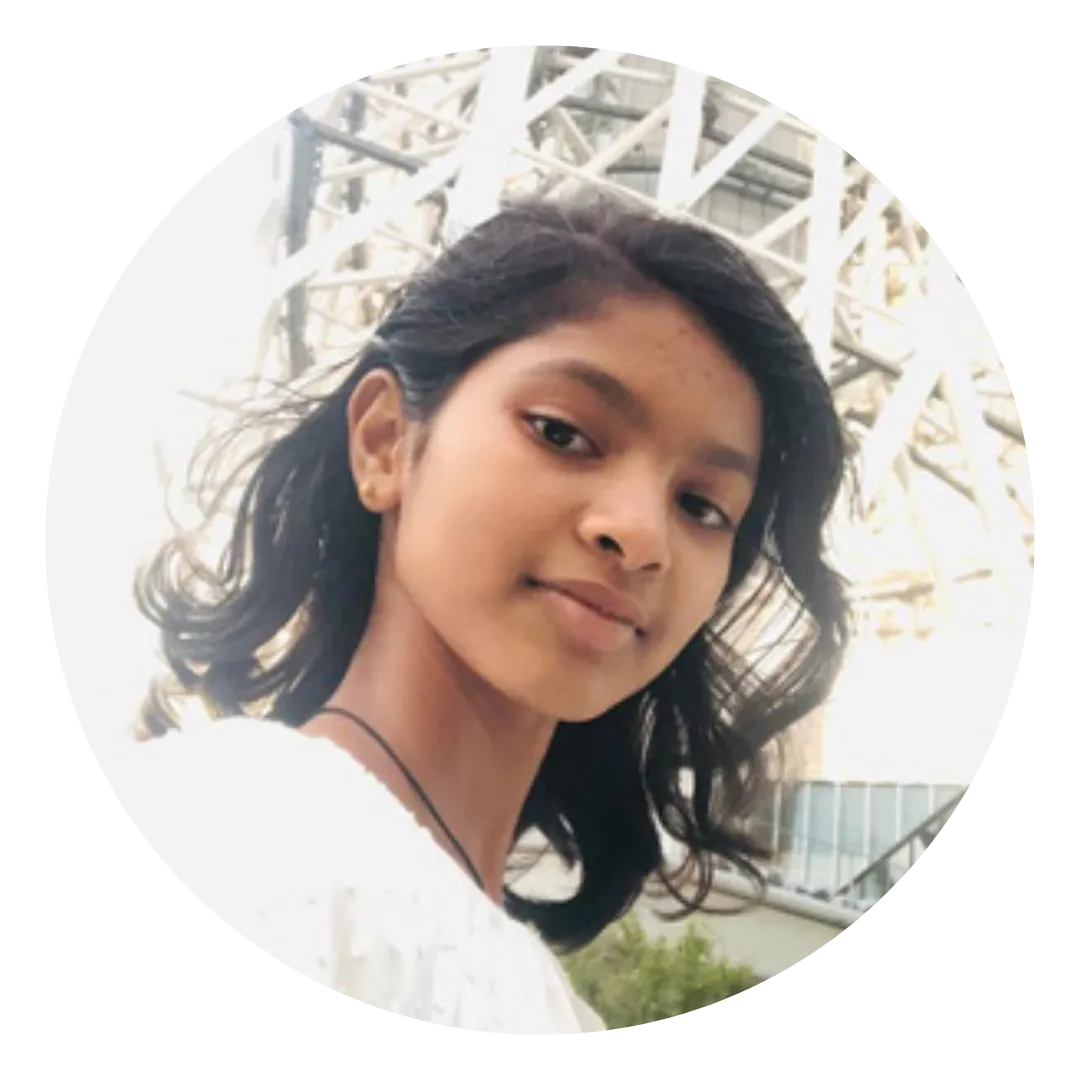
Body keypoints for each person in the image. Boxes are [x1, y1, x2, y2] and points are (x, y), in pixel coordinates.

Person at [104, 196, 851, 1036]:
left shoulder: (547, 1003)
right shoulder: (224, 833)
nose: (643, 534)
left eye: (703, 506)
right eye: (562, 433)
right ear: (385, 442)